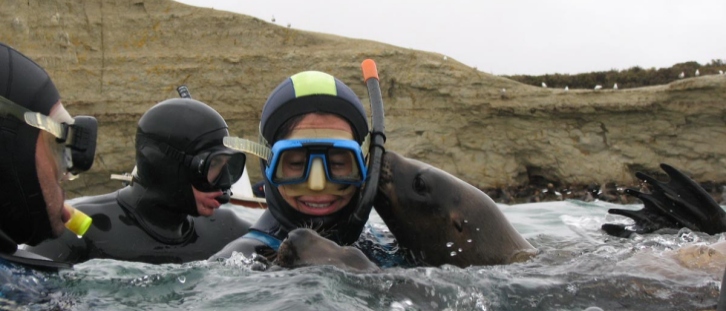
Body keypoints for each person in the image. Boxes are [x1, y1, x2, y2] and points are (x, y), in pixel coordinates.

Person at [24, 98, 252, 264]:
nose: (223, 187)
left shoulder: (228, 231)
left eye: (229, 167)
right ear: (166, 169)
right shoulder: (78, 231)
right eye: (211, 166)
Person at [210, 71, 373, 261]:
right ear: (267, 162)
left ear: (365, 163)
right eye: (296, 164)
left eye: (337, 164)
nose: (317, 184)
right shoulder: (242, 261)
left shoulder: (389, 242)